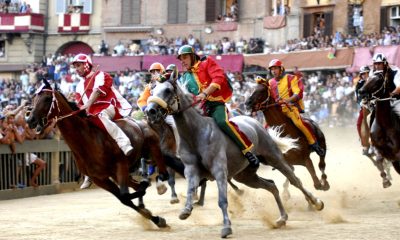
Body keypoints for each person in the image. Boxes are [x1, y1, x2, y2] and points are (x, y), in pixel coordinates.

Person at [177, 45, 260, 168]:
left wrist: (205, 93)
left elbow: (218, 78)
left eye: (185, 57)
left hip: (215, 103)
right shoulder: (184, 78)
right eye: (181, 59)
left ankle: (246, 150)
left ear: (193, 56)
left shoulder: (206, 62)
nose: (183, 61)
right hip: (199, 108)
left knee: (222, 122)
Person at [71, 53, 134, 188]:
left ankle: (124, 142)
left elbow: (98, 92)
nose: (76, 69)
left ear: (86, 64)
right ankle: (88, 172)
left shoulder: (101, 75)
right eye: (75, 66)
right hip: (91, 113)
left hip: (109, 107)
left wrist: (87, 105)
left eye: (78, 65)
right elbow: (78, 104)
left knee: (99, 115)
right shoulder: (79, 86)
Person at [268, 59, 325, 156]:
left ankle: (314, 144)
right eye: (272, 69)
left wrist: (288, 100)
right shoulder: (270, 82)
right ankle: (274, 155)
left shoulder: (291, 78)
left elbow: (297, 93)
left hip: (290, 108)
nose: (273, 71)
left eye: (276, 68)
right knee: (267, 129)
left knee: (299, 124)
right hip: (277, 111)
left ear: (281, 69)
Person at [355, 65, 371, 155]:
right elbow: (358, 97)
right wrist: (361, 102)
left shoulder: (376, 80)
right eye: (363, 74)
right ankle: (364, 143)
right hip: (365, 107)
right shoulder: (359, 84)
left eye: (367, 73)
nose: (365, 75)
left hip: (377, 105)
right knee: (359, 124)